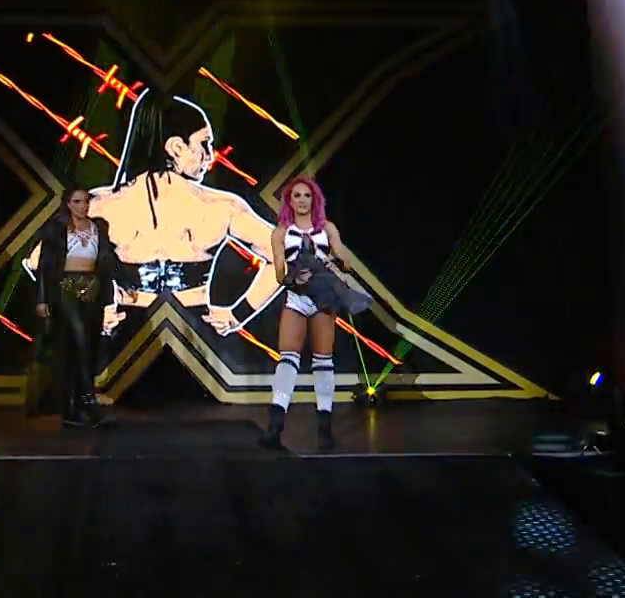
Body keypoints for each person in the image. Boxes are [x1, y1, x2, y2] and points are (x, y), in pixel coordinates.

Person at [23, 89, 282, 340]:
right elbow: (286, 257)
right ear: (176, 147)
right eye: (204, 143)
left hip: (127, 333)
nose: (210, 156)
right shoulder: (220, 205)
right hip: (192, 333)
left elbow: (39, 262)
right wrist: (237, 315)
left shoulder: (103, 204)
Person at [258, 176, 369, 451]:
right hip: (297, 296)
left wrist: (335, 260)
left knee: (323, 360)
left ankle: (325, 428)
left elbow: (346, 261)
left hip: (324, 298)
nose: (302, 200)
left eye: (307, 195)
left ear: (314, 199)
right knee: (287, 359)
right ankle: (275, 427)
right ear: (289, 200)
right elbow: (279, 273)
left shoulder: (327, 228)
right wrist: (293, 279)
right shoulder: (281, 233)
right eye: (297, 195)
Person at [33, 188, 117, 428]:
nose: (83, 206)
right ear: (68, 204)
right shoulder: (57, 229)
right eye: (77, 201)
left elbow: (107, 258)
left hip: (92, 286)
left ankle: (76, 407)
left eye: (86, 201)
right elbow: (45, 265)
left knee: (88, 343)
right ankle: (85, 401)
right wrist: (42, 299)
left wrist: (122, 283)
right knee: (79, 340)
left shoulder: (98, 227)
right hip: (65, 286)